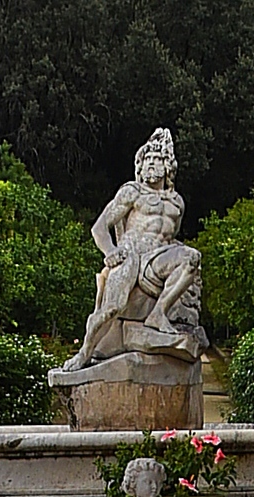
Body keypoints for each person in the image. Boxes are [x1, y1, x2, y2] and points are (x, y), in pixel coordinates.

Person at [64, 128, 205, 371]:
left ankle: (158, 314)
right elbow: (99, 228)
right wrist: (110, 252)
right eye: (146, 161)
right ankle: (85, 352)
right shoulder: (132, 192)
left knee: (192, 257)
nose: (150, 165)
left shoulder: (177, 202)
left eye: (156, 160)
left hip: (158, 257)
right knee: (112, 307)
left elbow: (171, 237)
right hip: (131, 253)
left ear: (167, 166)